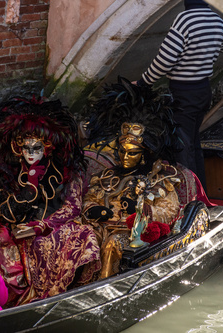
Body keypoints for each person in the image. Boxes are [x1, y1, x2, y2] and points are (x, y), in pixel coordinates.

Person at [0, 96, 101, 305]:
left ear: (47, 147)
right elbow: (5, 211)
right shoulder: (11, 171)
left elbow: (72, 207)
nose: (30, 154)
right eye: (26, 148)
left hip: (52, 227)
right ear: (18, 147)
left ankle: (62, 293)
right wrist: (29, 189)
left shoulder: (66, 171)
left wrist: (41, 226)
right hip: (18, 229)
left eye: (36, 148)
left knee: (84, 234)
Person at [82, 78, 189, 278]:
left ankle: (105, 286)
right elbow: (90, 199)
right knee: (82, 237)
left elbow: (168, 211)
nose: (124, 157)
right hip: (102, 228)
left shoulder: (159, 180)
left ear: (144, 154)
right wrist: (95, 210)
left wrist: (138, 210)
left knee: (113, 244)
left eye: (131, 153)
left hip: (133, 236)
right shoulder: (106, 177)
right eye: (122, 152)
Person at [135, 0, 223, 188]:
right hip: (203, 90)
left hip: (184, 92)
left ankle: (190, 199)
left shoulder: (184, 19)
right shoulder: (217, 20)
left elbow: (165, 60)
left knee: (182, 147)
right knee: (194, 143)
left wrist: (143, 82)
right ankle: (200, 191)